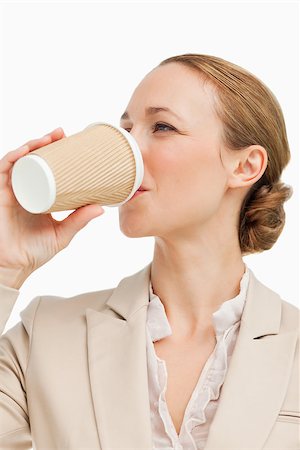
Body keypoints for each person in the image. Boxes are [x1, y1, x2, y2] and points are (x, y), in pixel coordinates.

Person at [0, 54, 299, 450]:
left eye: (162, 127)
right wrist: (5, 266)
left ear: (245, 166)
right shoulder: (45, 336)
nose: (130, 152)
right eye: (125, 128)